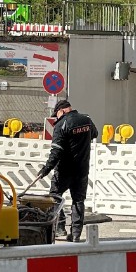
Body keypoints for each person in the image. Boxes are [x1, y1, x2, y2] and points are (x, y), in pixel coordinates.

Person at [35, 99, 98, 242]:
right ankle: (76, 234)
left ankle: (60, 227)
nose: (56, 118)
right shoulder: (86, 120)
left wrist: (46, 169)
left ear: (62, 111)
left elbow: (56, 151)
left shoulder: (61, 124)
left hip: (64, 169)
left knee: (55, 196)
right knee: (78, 200)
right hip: (82, 169)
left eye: (56, 115)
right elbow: (94, 134)